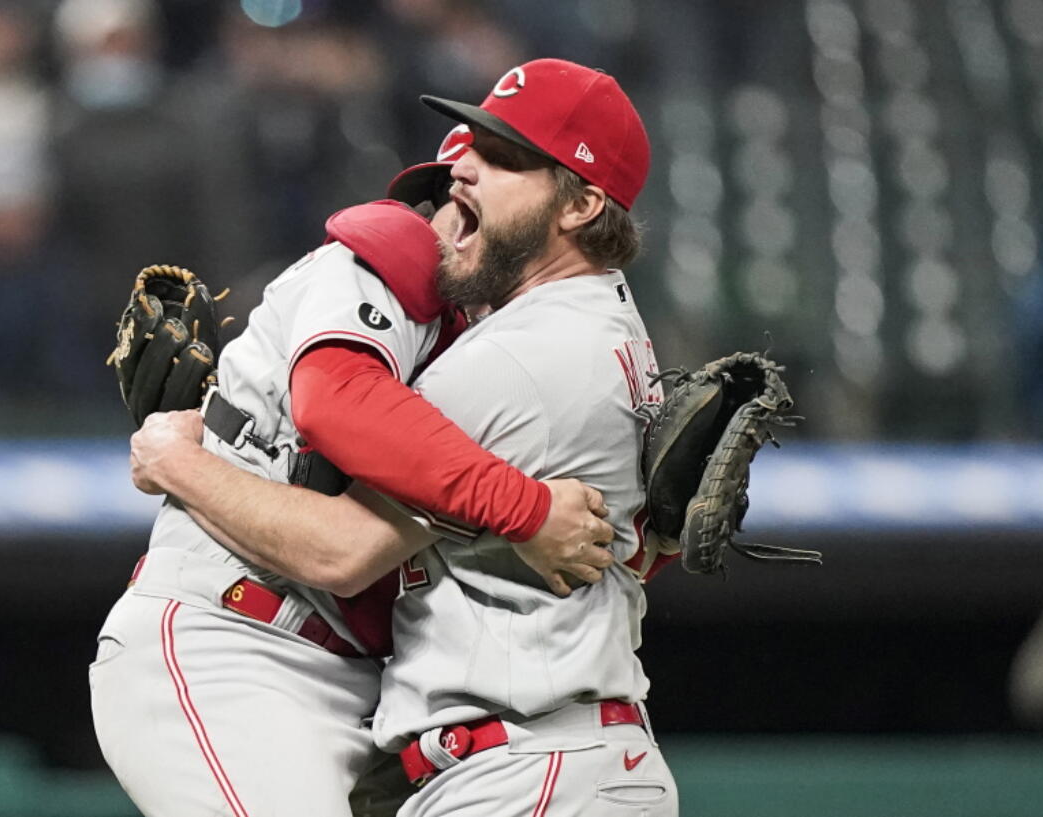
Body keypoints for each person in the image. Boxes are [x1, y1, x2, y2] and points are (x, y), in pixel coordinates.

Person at [131, 58, 678, 816]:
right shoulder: (602, 329)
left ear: (582, 202)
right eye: (471, 143)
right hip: (540, 758)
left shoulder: (515, 357)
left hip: (529, 768)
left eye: (504, 157)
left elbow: (341, 537)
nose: (462, 170)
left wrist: (175, 458)